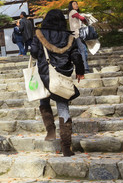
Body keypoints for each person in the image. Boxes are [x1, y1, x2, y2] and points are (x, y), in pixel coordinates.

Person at [30, 9, 85, 156]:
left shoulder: (39, 34)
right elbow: (76, 55)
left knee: (44, 99)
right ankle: (66, 147)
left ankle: (50, 131)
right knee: (63, 107)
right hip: (61, 75)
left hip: (44, 73)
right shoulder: (68, 37)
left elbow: (34, 52)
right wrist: (80, 71)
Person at [67, 1, 92, 73]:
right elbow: (82, 18)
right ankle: (85, 68)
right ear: (71, 6)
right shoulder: (73, 12)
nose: (76, 5)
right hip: (77, 35)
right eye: (74, 4)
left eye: (76, 4)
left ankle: (83, 67)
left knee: (83, 51)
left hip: (78, 35)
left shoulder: (73, 13)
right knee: (83, 51)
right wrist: (85, 17)